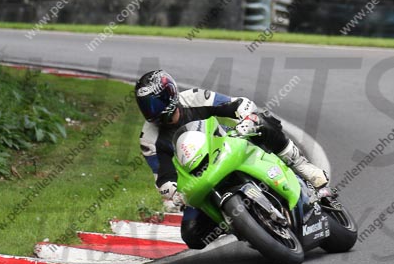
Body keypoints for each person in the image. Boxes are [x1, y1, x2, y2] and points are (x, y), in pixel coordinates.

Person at [136, 69, 332, 250]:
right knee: (192, 235)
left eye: (154, 103)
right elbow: (162, 177)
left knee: (261, 120)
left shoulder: (195, 98)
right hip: (199, 176)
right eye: (145, 106)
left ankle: (301, 165)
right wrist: (175, 192)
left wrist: (246, 120)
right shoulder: (149, 139)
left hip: (228, 145)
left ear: (169, 94)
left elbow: (238, 104)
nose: (151, 111)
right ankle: (241, 225)